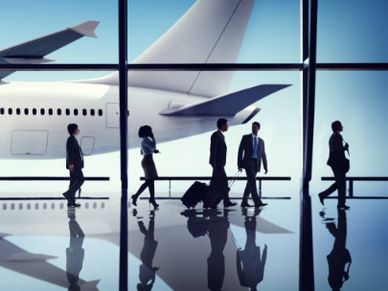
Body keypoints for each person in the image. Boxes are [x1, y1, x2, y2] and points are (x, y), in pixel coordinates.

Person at [318, 120, 350, 210]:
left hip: (335, 163)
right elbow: (335, 150)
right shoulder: (338, 136)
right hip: (338, 163)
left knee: (339, 183)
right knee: (341, 183)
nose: (342, 126)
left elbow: (335, 149)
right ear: (337, 127)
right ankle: (340, 203)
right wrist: (345, 148)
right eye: (341, 125)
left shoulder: (333, 136)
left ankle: (325, 195)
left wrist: (343, 148)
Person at [237, 121, 268, 208]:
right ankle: (257, 202)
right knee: (253, 181)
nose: (253, 129)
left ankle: (244, 202)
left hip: (256, 164)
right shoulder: (245, 137)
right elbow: (240, 151)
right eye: (252, 127)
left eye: (255, 127)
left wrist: (265, 167)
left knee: (250, 183)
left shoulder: (261, 141)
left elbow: (263, 155)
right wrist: (239, 164)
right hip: (248, 162)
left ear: (258, 129)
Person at [207, 118, 236, 208]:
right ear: (223, 125)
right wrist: (213, 162)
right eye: (227, 125)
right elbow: (213, 149)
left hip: (219, 164)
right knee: (224, 182)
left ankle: (209, 202)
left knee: (214, 184)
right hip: (217, 164)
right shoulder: (216, 135)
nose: (228, 126)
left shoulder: (221, 135)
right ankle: (226, 202)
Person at [236, 208, 267, 291]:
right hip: (248, 255)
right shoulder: (244, 283)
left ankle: (251, 220)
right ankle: (249, 220)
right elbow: (238, 268)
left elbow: (262, 264)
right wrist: (238, 256)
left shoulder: (258, 279)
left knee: (251, 238)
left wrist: (265, 251)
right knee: (251, 238)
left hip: (250, 255)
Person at [131, 125, 160, 209]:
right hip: (148, 161)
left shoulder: (142, 140)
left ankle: (152, 199)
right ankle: (136, 196)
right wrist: (153, 138)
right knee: (149, 181)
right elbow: (153, 147)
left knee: (150, 181)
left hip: (146, 160)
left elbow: (141, 152)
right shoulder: (146, 140)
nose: (151, 132)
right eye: (150, 131)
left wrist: (151, 151)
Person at [63, 123, 84, 207]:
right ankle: (68, 193)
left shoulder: (73, 139)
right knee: (81, 179)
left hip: (75, 164)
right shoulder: (71, 139)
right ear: (74, 130)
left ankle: (71, 201)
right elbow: (69, 152)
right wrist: (71, 163)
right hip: (74, 165)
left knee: (73, 182)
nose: (79, 130)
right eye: (77, 128)